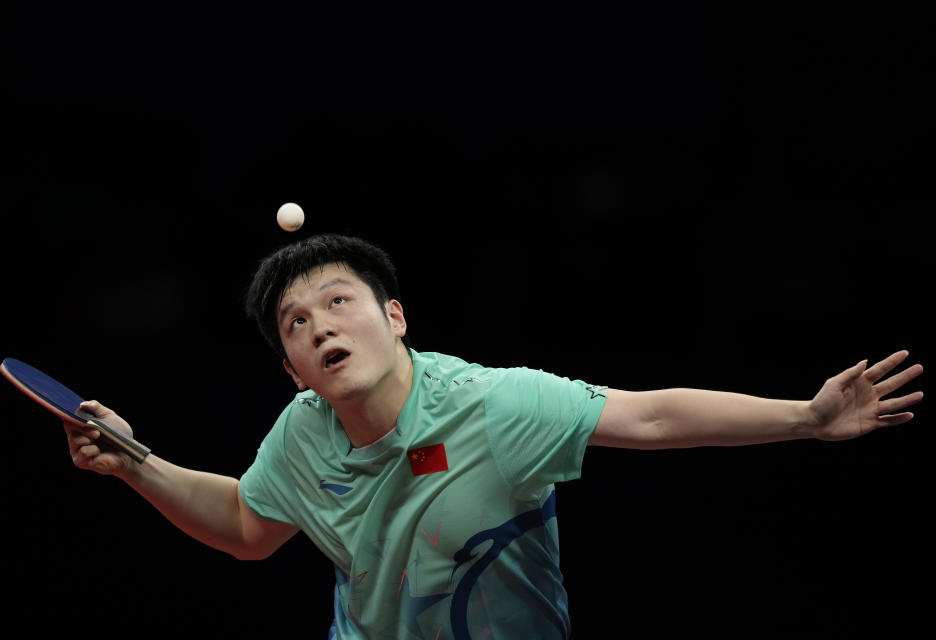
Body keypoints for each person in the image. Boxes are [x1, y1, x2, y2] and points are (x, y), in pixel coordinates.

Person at [65, 233, 924, 639]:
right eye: (295, 322)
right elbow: (250, 529)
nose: (320, 325)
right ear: (293, 369)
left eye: (338, 302)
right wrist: (138, 465)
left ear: (393, 317)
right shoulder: (301, 434)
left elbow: (651, 414)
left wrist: (807, 418)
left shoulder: (496, 406)